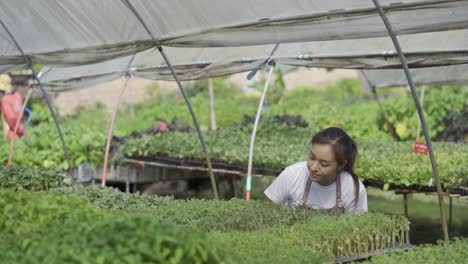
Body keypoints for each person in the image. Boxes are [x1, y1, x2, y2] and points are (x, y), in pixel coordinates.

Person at [264, 127, 367, 214]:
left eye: (324, 164)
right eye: (312, 158)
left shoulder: (352, 188)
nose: (313, 167)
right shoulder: (291, 174)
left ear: (341, 165)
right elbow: (264, 213)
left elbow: (358, 231)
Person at [0, 74, 24, 141]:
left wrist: (17, 129)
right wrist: (20, 129)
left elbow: (11, 117)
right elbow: (21, 113)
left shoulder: (5, 100)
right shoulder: (18, 95)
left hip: (12, 133)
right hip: (21, 129)